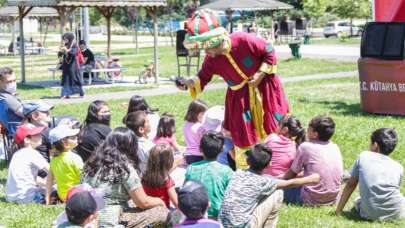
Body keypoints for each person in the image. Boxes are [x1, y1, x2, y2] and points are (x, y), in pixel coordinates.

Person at [180, 9, 289, 169]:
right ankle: (249, 171)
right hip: (240, 100)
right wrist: (188, 83)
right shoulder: (211, 59)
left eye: (207, 47)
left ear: (215, 41)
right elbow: (202, 77)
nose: (206, 51)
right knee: (245, 135)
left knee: (274, 125)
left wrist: (259, 74)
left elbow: (269, 51)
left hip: (265, 88)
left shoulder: (242, 39)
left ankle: (279, 164)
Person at [81, 127, 168, 227]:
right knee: (161, 212)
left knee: (131, 201)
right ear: (131, 146)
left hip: (87, 215)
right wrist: (160, 201)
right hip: (108, 220)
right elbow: (144, 202)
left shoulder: (90, 163)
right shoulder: (125, 168)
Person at [219, 143, 320, 227]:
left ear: (247, 161)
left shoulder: (236, 174)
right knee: (278, 193)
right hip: (243, 226)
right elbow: (288, 183)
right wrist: (310, 179)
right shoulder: (264, 182)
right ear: (269, 164)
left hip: (221, 224)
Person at [336, 128, 405, 221]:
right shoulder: (398, 167)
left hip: (369, 214)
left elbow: (350, 185)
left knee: (358, 201)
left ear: (375, 145)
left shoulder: (364, 156)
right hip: (397, 214)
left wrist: (338, 211)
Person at [282, 115, 343, 206]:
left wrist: (278, 179)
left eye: (309, 127)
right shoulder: (335, 147)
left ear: (315, 134)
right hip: (333, 198)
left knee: (275, 187)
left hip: (310, 199)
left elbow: (290, 175)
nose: (306, 130)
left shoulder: (306, 147)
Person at [185, 131, 233, 218]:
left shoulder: (191, 168)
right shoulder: (227, 171)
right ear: (222, 149)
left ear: (200, 149)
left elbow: (185, 192)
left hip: (196, 215)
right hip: (218, 216)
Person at [5, 123, 49, 204]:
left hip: (11, 197)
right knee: (55, 190)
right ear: (27, 140)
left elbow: (28, 177)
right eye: (36, 134)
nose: (41, 135)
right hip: (27, 198)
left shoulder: (17, 154)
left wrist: (45, 183)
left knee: (46, 187)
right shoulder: (32, 153)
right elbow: (53, 172)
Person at [45, 124, 83, 203]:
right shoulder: (75, 158)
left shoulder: (53, 160)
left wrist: (47, 197)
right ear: (65, 143)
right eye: (73, 137)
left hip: (63, 196)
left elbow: (49, 180)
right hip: (76, 196)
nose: (76, 137)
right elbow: (84, 177)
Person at [142, 144, 179, 209]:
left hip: (148, 209)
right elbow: (176, 202)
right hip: (163, 211)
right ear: (169, 161)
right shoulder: (166, 179)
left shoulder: (144, 176)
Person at [124, 110, 154, 176]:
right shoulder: (149, 146)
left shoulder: (125, 143)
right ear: (141, 129)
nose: (150, 123)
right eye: (147, 121)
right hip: (150, 180)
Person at [59, 32, 84, 99]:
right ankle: (65, 94)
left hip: (74, 66)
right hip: (66, 66)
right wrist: (61, 51)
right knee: (66, 80)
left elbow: (74, 53)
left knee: (75, 80)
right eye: (64, 39)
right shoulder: (65, 45)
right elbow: (60, 54)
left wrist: (67, 50)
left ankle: (81, 92)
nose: (64, 40)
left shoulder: (74, 45)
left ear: (69, 38)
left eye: (66, 39)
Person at [183, 99, 208, 165]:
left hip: (188, 156)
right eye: (203, 114)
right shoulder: (200, 127)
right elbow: (206, 143)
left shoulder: (186, 124)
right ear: (195, 113)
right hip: (200, 156)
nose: (205, 116)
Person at [0, 67, 23, 135]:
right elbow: (27, 114)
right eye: (9, 81)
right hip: (20, 134)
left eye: (14, 80)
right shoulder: (6, 98)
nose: (13, 84)